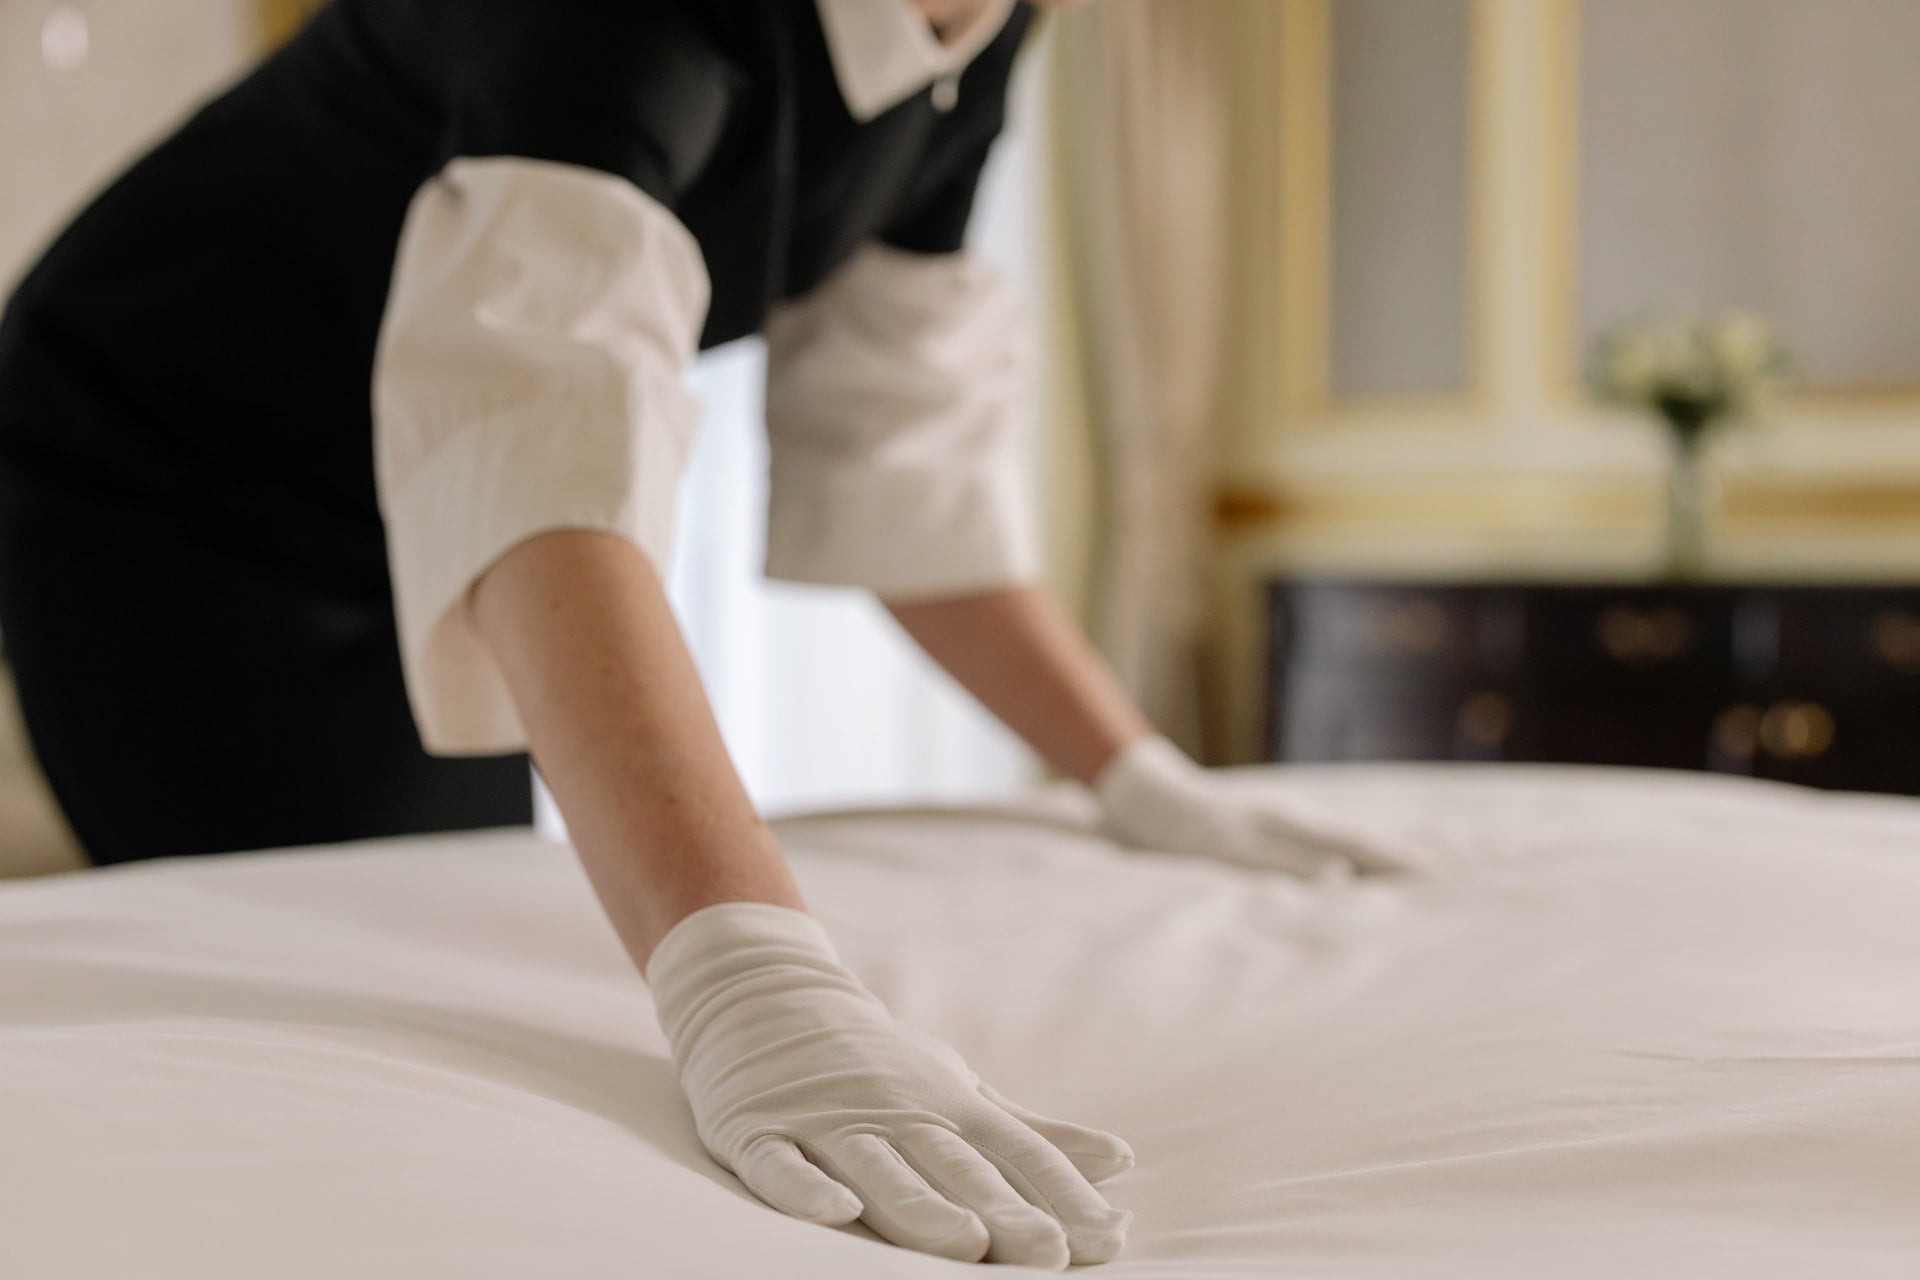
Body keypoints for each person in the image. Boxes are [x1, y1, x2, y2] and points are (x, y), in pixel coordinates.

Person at [0, 0, 1411, 1267]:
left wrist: (1133, 771)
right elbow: (533, 470)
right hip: (165, 492)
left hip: (414, 509)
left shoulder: (975, 35)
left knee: (427, 926)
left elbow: (901, 461)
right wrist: (755, 977)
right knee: (314, 963)